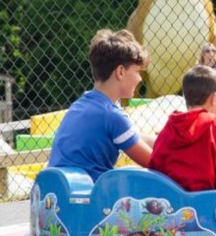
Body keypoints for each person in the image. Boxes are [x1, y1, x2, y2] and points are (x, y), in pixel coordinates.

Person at [48, 29, 154, 180]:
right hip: (88, 196)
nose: (140, 79)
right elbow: (154, 162)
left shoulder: (81, 105)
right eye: (137, 71)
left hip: (54, 191)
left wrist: (166, 142)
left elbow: (135, 137)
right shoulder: (112, 116)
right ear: (120, 72)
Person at [149, 65, 216, 192]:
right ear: (214, 98)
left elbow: (155, 167)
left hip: (172, 205)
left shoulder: (169, 129)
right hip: (206, 204)